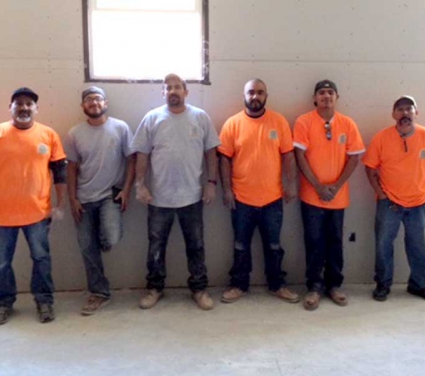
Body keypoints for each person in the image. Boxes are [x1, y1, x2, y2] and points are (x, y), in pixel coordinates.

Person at [0, 87, 67, 325]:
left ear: (36, 108)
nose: (24, 107)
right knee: (2, 263)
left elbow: (60, 173)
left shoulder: (48, 135)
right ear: (10, 108)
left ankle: (44, 301)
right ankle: (4, 304)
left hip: (38, 213)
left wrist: (60, 204)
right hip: (2, 216)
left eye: (29, 104)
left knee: (41, 258)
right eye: (19, 103)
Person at [131, 73, 219, 311]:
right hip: (159, 198)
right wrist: (140, 184)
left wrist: (211, 182)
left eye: (177, 87)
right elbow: (142, 154)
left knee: (196, 245)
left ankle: (199, 289)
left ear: (186, 92)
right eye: (168, 87)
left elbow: (211, 152)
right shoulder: (152, 118)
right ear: (163, 93)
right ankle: (154, 289)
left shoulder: (200, 117)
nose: (173, 91)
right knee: (156, 247)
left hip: (192, 196)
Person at [218, 78, 299, 304]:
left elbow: (288, 156)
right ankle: (238, 285)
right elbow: (224, 159)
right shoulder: (232, 124)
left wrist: (291, 185)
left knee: (274, 246)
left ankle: (277, 285)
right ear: (244, 96)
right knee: (240, 245)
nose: (255, 96)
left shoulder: (279, 121)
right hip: (241, 199)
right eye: (251, 92)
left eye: (260, 92)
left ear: (266, 95)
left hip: (273, 198)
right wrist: (226, 190)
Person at [363, 95, 425, 303]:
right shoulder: (381, 138)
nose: (404, 113)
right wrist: (380, 192)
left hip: (418, 203)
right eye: (400, 109)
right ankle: (383, 284)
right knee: (384, 244)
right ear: (393, 114)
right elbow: (369, 167)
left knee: (417, 245)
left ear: (416, 113)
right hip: (389, 203)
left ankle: (419, 285)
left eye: (409, 109)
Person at [293, 80, 365, 310]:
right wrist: (318, 186)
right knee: (314, 242)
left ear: (337, 97)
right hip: (311, 196)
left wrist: (336, 185)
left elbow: (354, 157)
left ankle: (334, 285)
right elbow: (299, 156)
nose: (326, 96)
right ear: (315, 98)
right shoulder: (304, 121)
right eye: (321, 93)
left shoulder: (347, 123)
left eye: (330, 93)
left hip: (338, 197)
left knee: (335, 242)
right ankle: (314, 287)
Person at [64, 86, 135, 316]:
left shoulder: (120, 127)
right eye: (89, 100)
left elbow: (131, 160)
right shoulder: (74, 134)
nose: (94, 103)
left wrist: (126, 189)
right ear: (83, 106)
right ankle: (99, 293)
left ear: (105, 103)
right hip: (84, 198)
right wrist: (72, 198)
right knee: (87, 247)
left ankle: (102, 237)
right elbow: (72, 168)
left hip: (110, 196)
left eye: (98, 99)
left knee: (112, 237)